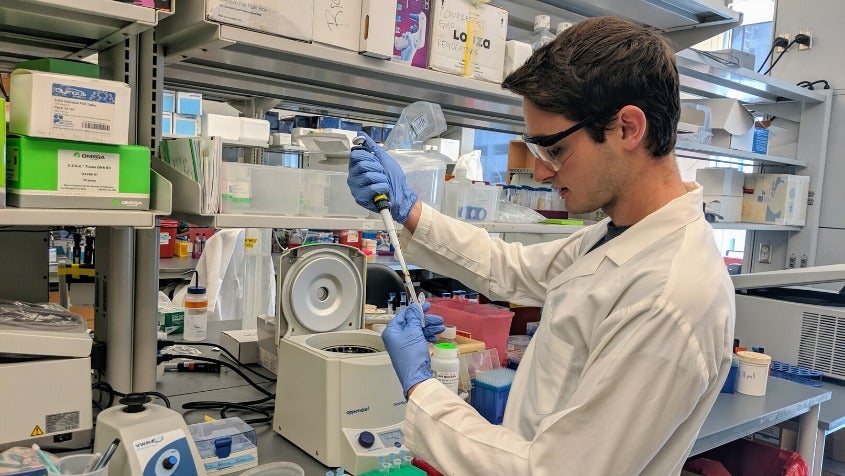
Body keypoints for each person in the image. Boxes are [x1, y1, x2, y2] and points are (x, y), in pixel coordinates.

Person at [347, 16, 735, 475]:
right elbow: (511, 268)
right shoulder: (618, 233)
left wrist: (422, 389)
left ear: (629, 128)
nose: (541, 173)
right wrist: (410, 210)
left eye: (554, 149)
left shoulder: (672, 297)